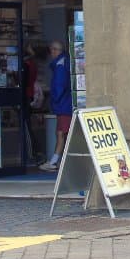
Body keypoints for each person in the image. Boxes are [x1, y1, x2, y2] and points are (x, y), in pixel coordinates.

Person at [40, 39, 72, 171]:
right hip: (66, 104)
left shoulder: (60, 65)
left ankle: (54, 162)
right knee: (63, 133)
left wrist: (54, 100)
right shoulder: (65, 62)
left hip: (64, 105)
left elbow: (59, 86)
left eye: (52, 50)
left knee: (61, 133)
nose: (51, 53)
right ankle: (60, 161)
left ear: (55, 51)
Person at [23, 42, 45, 165]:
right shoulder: (32, 64)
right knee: (28, 126)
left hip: (26, 96)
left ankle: (33, 154)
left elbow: (25, 81)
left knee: (26, 127)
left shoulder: (27, 64)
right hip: (29, 95)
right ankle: (35, 153)